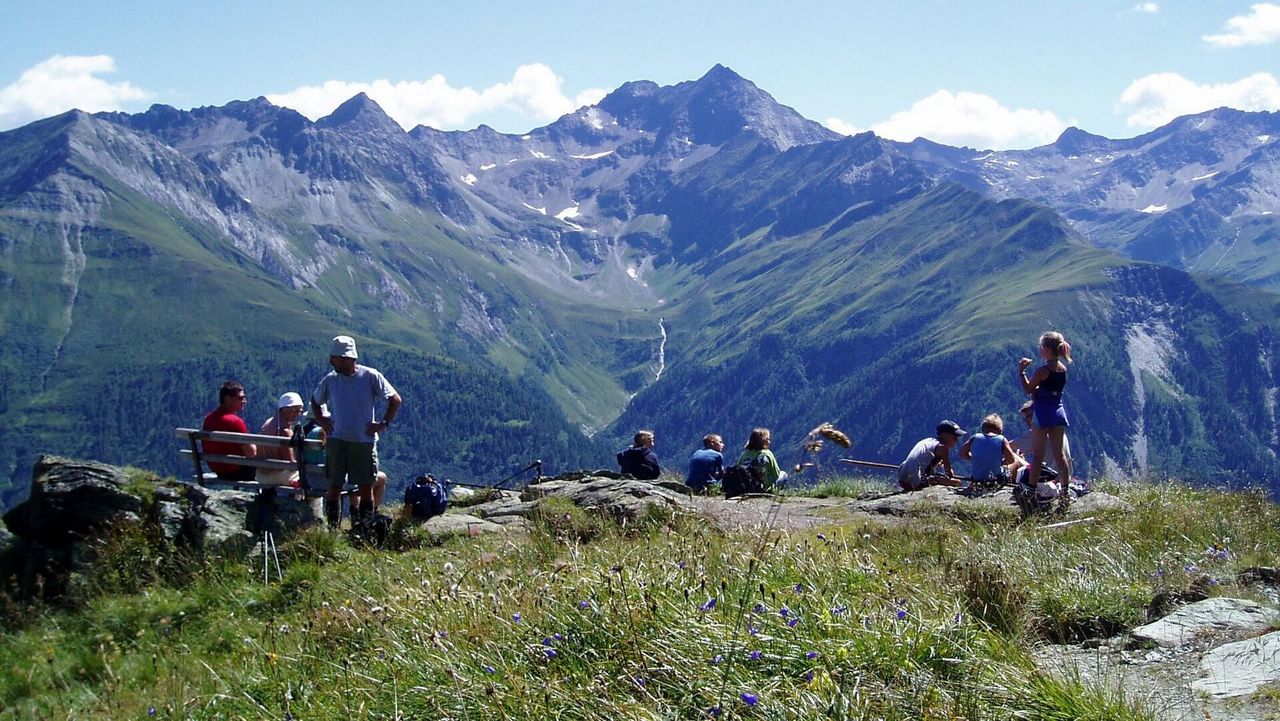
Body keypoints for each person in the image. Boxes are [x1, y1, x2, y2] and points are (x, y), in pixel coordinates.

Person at [311, 335, 402, 526]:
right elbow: (315, 401)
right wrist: (322, 420)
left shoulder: (370, 376)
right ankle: (339, 528)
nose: (331, 361)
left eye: (334, 358)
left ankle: (363, 527)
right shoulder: (331, 379)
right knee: (335, 485)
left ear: (346, 358)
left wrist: (383, 423)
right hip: (341, 440)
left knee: (364, 486)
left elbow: (395, 399)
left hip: (361, 442)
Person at [1018, 331, 1073, 494]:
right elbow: (1051, 389)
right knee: (1059, 455)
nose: (1040, 350)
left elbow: (1028, 388)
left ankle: (1031, 490)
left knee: (1038, 454)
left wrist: (1021, 372)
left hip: (1042, 413)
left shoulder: (1042, 370)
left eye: (1041, 347)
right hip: (1058, 412)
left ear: (1047, 349)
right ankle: (1065, 489)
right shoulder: (1062, 369)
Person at [202, 381, 257, 482]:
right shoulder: (235, 422)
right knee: (271, 470)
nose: (244, 401)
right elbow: (251, 453)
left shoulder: (209, 419)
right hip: (238, 472)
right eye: (240, 398)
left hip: (219, 471)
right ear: (227, 399)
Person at [959, 413, 1025, 488]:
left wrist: (976, 458)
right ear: (1000, 430)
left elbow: (962, 453)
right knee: (1016, 462)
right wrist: (1001, 462)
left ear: (983, 428)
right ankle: (1012, 486)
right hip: (996, 479)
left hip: (977, 478)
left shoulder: (975, 437)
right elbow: (1011, 460)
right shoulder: (1002, 439)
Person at [897, 420, 966, 491]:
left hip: (902, 477)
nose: (956, 440)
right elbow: (949, 473)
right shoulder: (943, 448)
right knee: (957, 482)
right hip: (915, 481)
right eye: (954, 437)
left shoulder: (928, 440)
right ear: (944, 434)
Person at [1009, 400, 1072, 477]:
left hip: (1048, 476)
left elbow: (1008, 445)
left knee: (1011, 454)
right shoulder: (1057, 432)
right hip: (1065, 477)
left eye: (1029, 416)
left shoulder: (1037, 433)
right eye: (1025, 418)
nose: (1027, 421)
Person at [257, 392, 305, 487]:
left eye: (299, 410)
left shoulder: (268, 423)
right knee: (312, 481)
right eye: (294, 410)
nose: (298, 414)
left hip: (261, 476)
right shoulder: (284, 431)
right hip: (276, 476)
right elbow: (290, 462)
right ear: (284, 409)